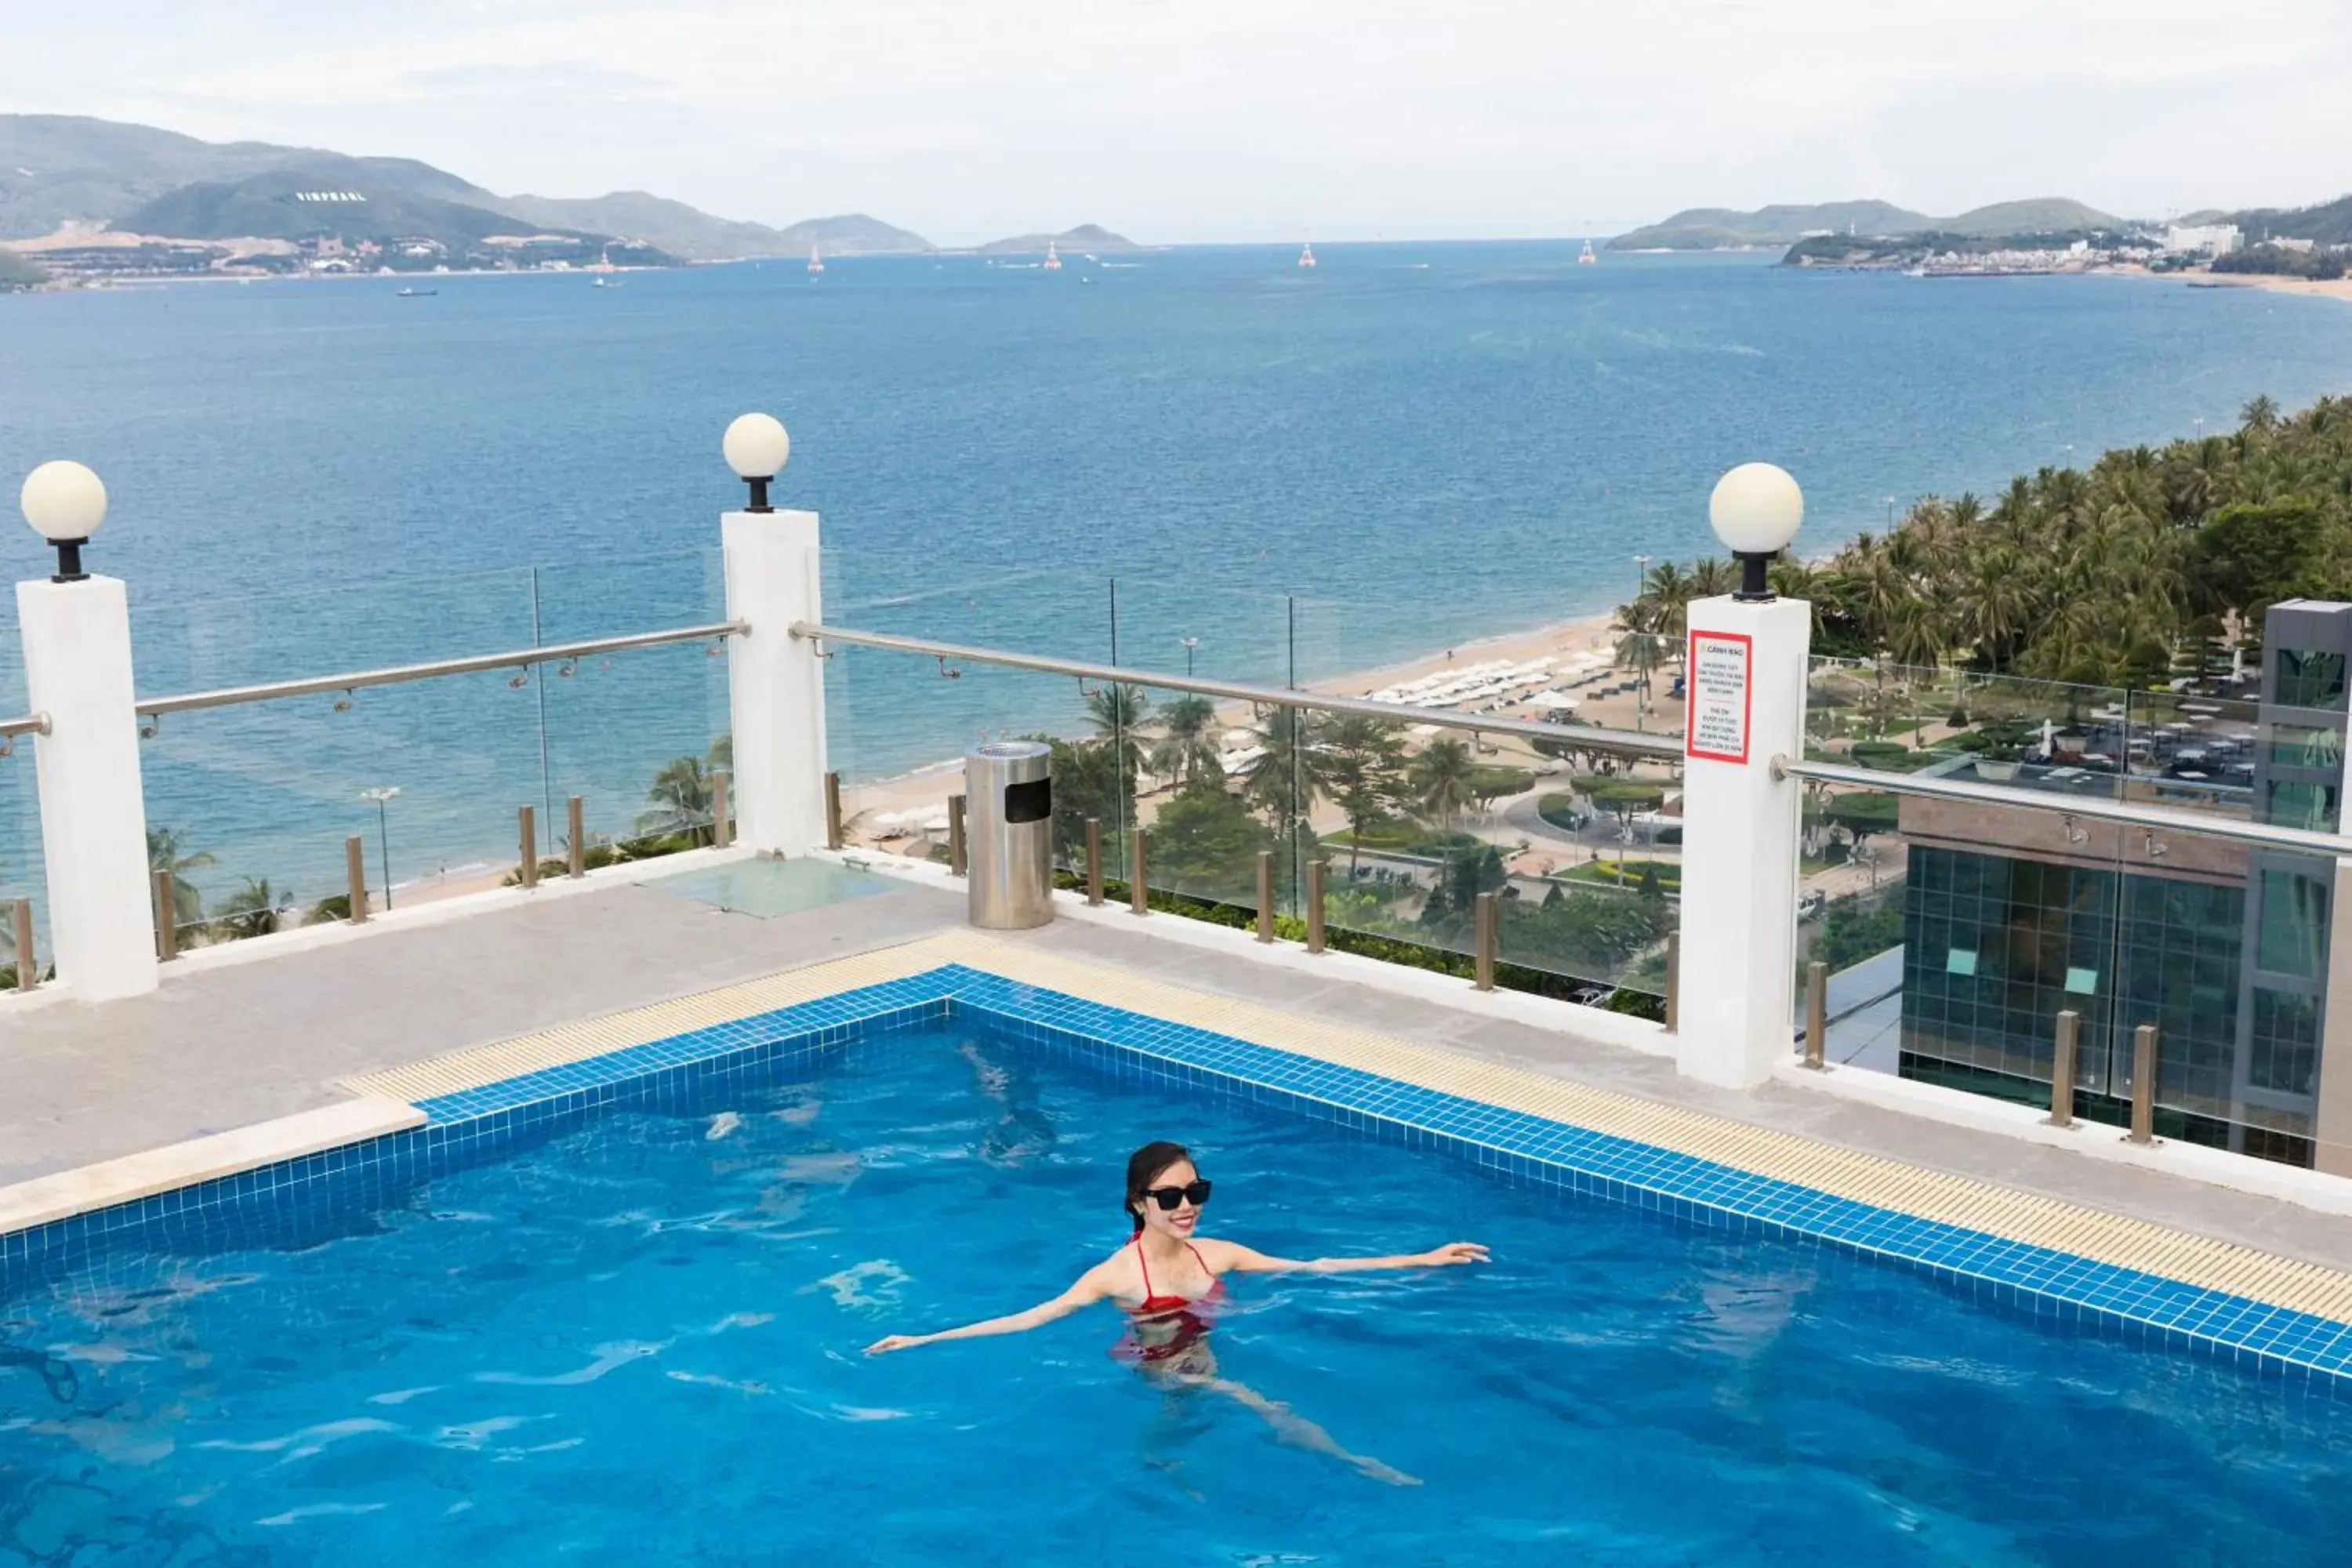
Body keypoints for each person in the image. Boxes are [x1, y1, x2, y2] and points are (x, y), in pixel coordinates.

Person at [863, 1141, 1486, 1482]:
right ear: (1138, 1203)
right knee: (1260, 1404)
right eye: (1170, 1196)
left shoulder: (1219, 1253)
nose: (1187, 1205)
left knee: (1183, 1423)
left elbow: (1313, 1267)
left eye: (1196, 1192)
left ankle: (1157, 1459)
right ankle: (1354, 1463)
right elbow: (1033, 1317)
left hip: (1201, 1344)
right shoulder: (1116, 1277)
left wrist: (1420, 1258)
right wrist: (923, 1339)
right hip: (1164, 1360)